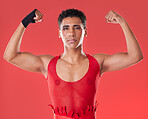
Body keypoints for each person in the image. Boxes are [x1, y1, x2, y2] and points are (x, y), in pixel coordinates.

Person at [3, 8, 143, 119]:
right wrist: (25, 22)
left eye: (77, 27)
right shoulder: (48, 64)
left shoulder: (97, 62)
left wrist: (122, 22)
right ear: (59, 33)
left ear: (85, 31)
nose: (71, 33)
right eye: (66, 28)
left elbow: (135, 56)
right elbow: (10, 56)